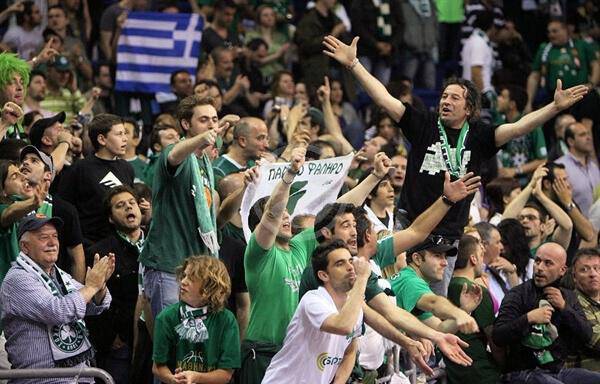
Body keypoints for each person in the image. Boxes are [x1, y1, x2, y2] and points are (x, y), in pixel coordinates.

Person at [323, 34, 588, 243]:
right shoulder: (423, 123)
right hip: (409, 225)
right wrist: (354, 64)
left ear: (470, 109)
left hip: (449, 235)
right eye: (444, 96)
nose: (445, 101)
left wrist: (553, 108)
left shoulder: (480, 136)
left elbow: (519, 127)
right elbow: (383, 98)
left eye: (454, 98)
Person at [139, 96, 233, 318]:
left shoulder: (204, 162)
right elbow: (174, 154)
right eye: (203, 120)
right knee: (172, 339)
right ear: (185, 124)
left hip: (199, 266)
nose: (211, 125)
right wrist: (202, 138)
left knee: (194, 342)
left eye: (214, 119)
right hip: (169, 265)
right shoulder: (175, 153)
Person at [0, 214, 114, 382]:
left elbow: (93, 305)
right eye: (43, 237)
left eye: (55, 237)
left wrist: (99, 287)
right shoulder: (17, 279)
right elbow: (58, 311)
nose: (52, 243)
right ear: (24, 247)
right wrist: (91, 287)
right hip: (43, 379)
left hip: (80, 375)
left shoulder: (59, 274)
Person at [492, 242, 600, 383]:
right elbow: (498, 335)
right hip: (521, 372)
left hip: (557, 371)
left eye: (548, 263)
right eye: (537, 261)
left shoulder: (568, 297)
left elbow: (586, 335)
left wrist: (564, 308)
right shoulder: (518, 294)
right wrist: (528, 318)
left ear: (562, 270)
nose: (540, 268)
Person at [262, 240, 368, 383]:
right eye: (340, 263)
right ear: (324, 275)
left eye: (350, 261)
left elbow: (350, 352)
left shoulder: (354, 309)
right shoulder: (313, 300)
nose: (350, 267)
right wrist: (361, 279)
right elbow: (343, 326)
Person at [85, 185, 144, 383]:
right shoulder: (100, 252)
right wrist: (111, 338)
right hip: (120, 345)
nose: (129, 208)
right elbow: (93, 301)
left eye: (132, 203)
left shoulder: (159, 244)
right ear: (110, 217)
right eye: (120, 205)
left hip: (155, 338)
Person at [152, 256, 240, 384]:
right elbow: (158, 366)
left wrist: (196, 377)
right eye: (184, 276)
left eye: (191, 278)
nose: (183, 281)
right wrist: (173, 380)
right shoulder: (166, 317)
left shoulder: (226, 320)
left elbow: (226, 374)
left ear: (209, 287)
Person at [56, 113, 134, 247]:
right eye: (119, 134)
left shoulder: (127, 168)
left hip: (122, 245)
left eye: (125, 133)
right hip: (90, 245)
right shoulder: (80, 169)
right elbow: (63, 208)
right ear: (102, 139)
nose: (125, 139)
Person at [389, 236, 481, 334]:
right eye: (437, 256)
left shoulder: (411, 280)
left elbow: (440, 328)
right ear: (417, 259)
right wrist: (458, 314)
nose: (445, 263)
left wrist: (464, 310)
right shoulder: (411, 281)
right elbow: (434, 303)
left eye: (445, 257)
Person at [446, 234, 500, 384]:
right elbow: (493, 339)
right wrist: (505, 366)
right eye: (481, 255)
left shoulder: (445, 287)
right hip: (480, 372)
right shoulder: (476, 292)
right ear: (473, 259)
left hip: (456, 372)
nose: (483, 261)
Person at [496, 85, 547, 183]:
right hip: (500, 184)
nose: (498, 99)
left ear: (512, 104)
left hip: (524, 183)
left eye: (503, 97)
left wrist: (515, 170)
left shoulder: (532, 125)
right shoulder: (498, 123)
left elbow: (542, 160)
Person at [556, 122, 600, 216]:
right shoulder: (560, 167)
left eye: (588, 133)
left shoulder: (594, 167)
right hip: (576, 227)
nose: (589, 138)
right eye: (582, 135)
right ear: (570, 141)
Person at [475, 222, 519, 309]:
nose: (502, 247)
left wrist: (512, 271)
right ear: (484, 245)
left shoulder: (497, 268)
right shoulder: (474, 274)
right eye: (497, 242)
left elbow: (516, 298)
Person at [570, 248, 600, 371]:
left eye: (597, 268)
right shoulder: (572, 302)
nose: (593, 274)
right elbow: (596, 340)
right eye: (584, 270)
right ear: (574, 277)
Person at [212, 117, 268, 182]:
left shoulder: (253, 165)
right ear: (242, 141)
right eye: (260, 138)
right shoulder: (218, 170)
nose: (267, 145)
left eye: (267, 139)